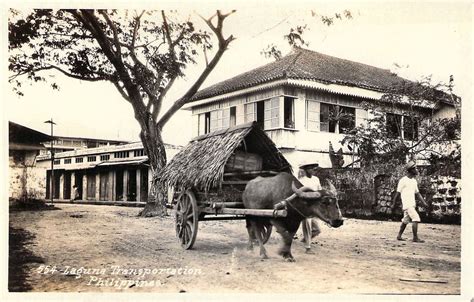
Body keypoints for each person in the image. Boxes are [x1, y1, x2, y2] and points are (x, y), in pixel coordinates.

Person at [392, 161, 429, 243]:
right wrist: (394, 203)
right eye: (415, 168)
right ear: (411, 170)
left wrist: (424, 203)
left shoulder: (414, 181)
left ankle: (399, 236)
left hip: (411, 204)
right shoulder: (403, 180)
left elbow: (417, 193)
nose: (417, 170)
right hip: (407, 204)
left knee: (405, 220)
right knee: (416, 218)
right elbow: (397, 193)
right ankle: (415, 238)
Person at [297, 162, 322, 254]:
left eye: (313, 168)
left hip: (314, 206)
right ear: (306, 170)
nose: (313, 170)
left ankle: (304, 240)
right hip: (305, 205)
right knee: (307, 224)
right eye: (310, 168)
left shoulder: (316, 179)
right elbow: (299, 194)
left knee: (317, 230)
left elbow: (319, 191)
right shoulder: (301, 180)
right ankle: (308, 248)